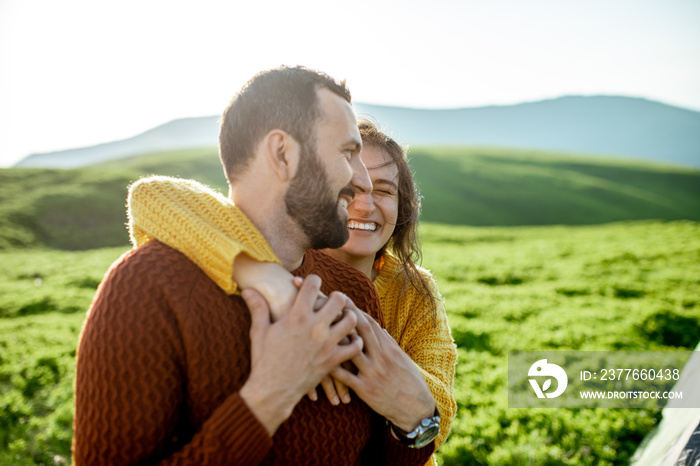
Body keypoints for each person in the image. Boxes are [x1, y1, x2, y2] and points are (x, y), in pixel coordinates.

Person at [72, 66, 437, 465]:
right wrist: (269, 396)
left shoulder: (351, 292)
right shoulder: (145, 290)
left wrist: (414, 416)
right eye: (347, 153)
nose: (364, 181)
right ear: (283, 153)